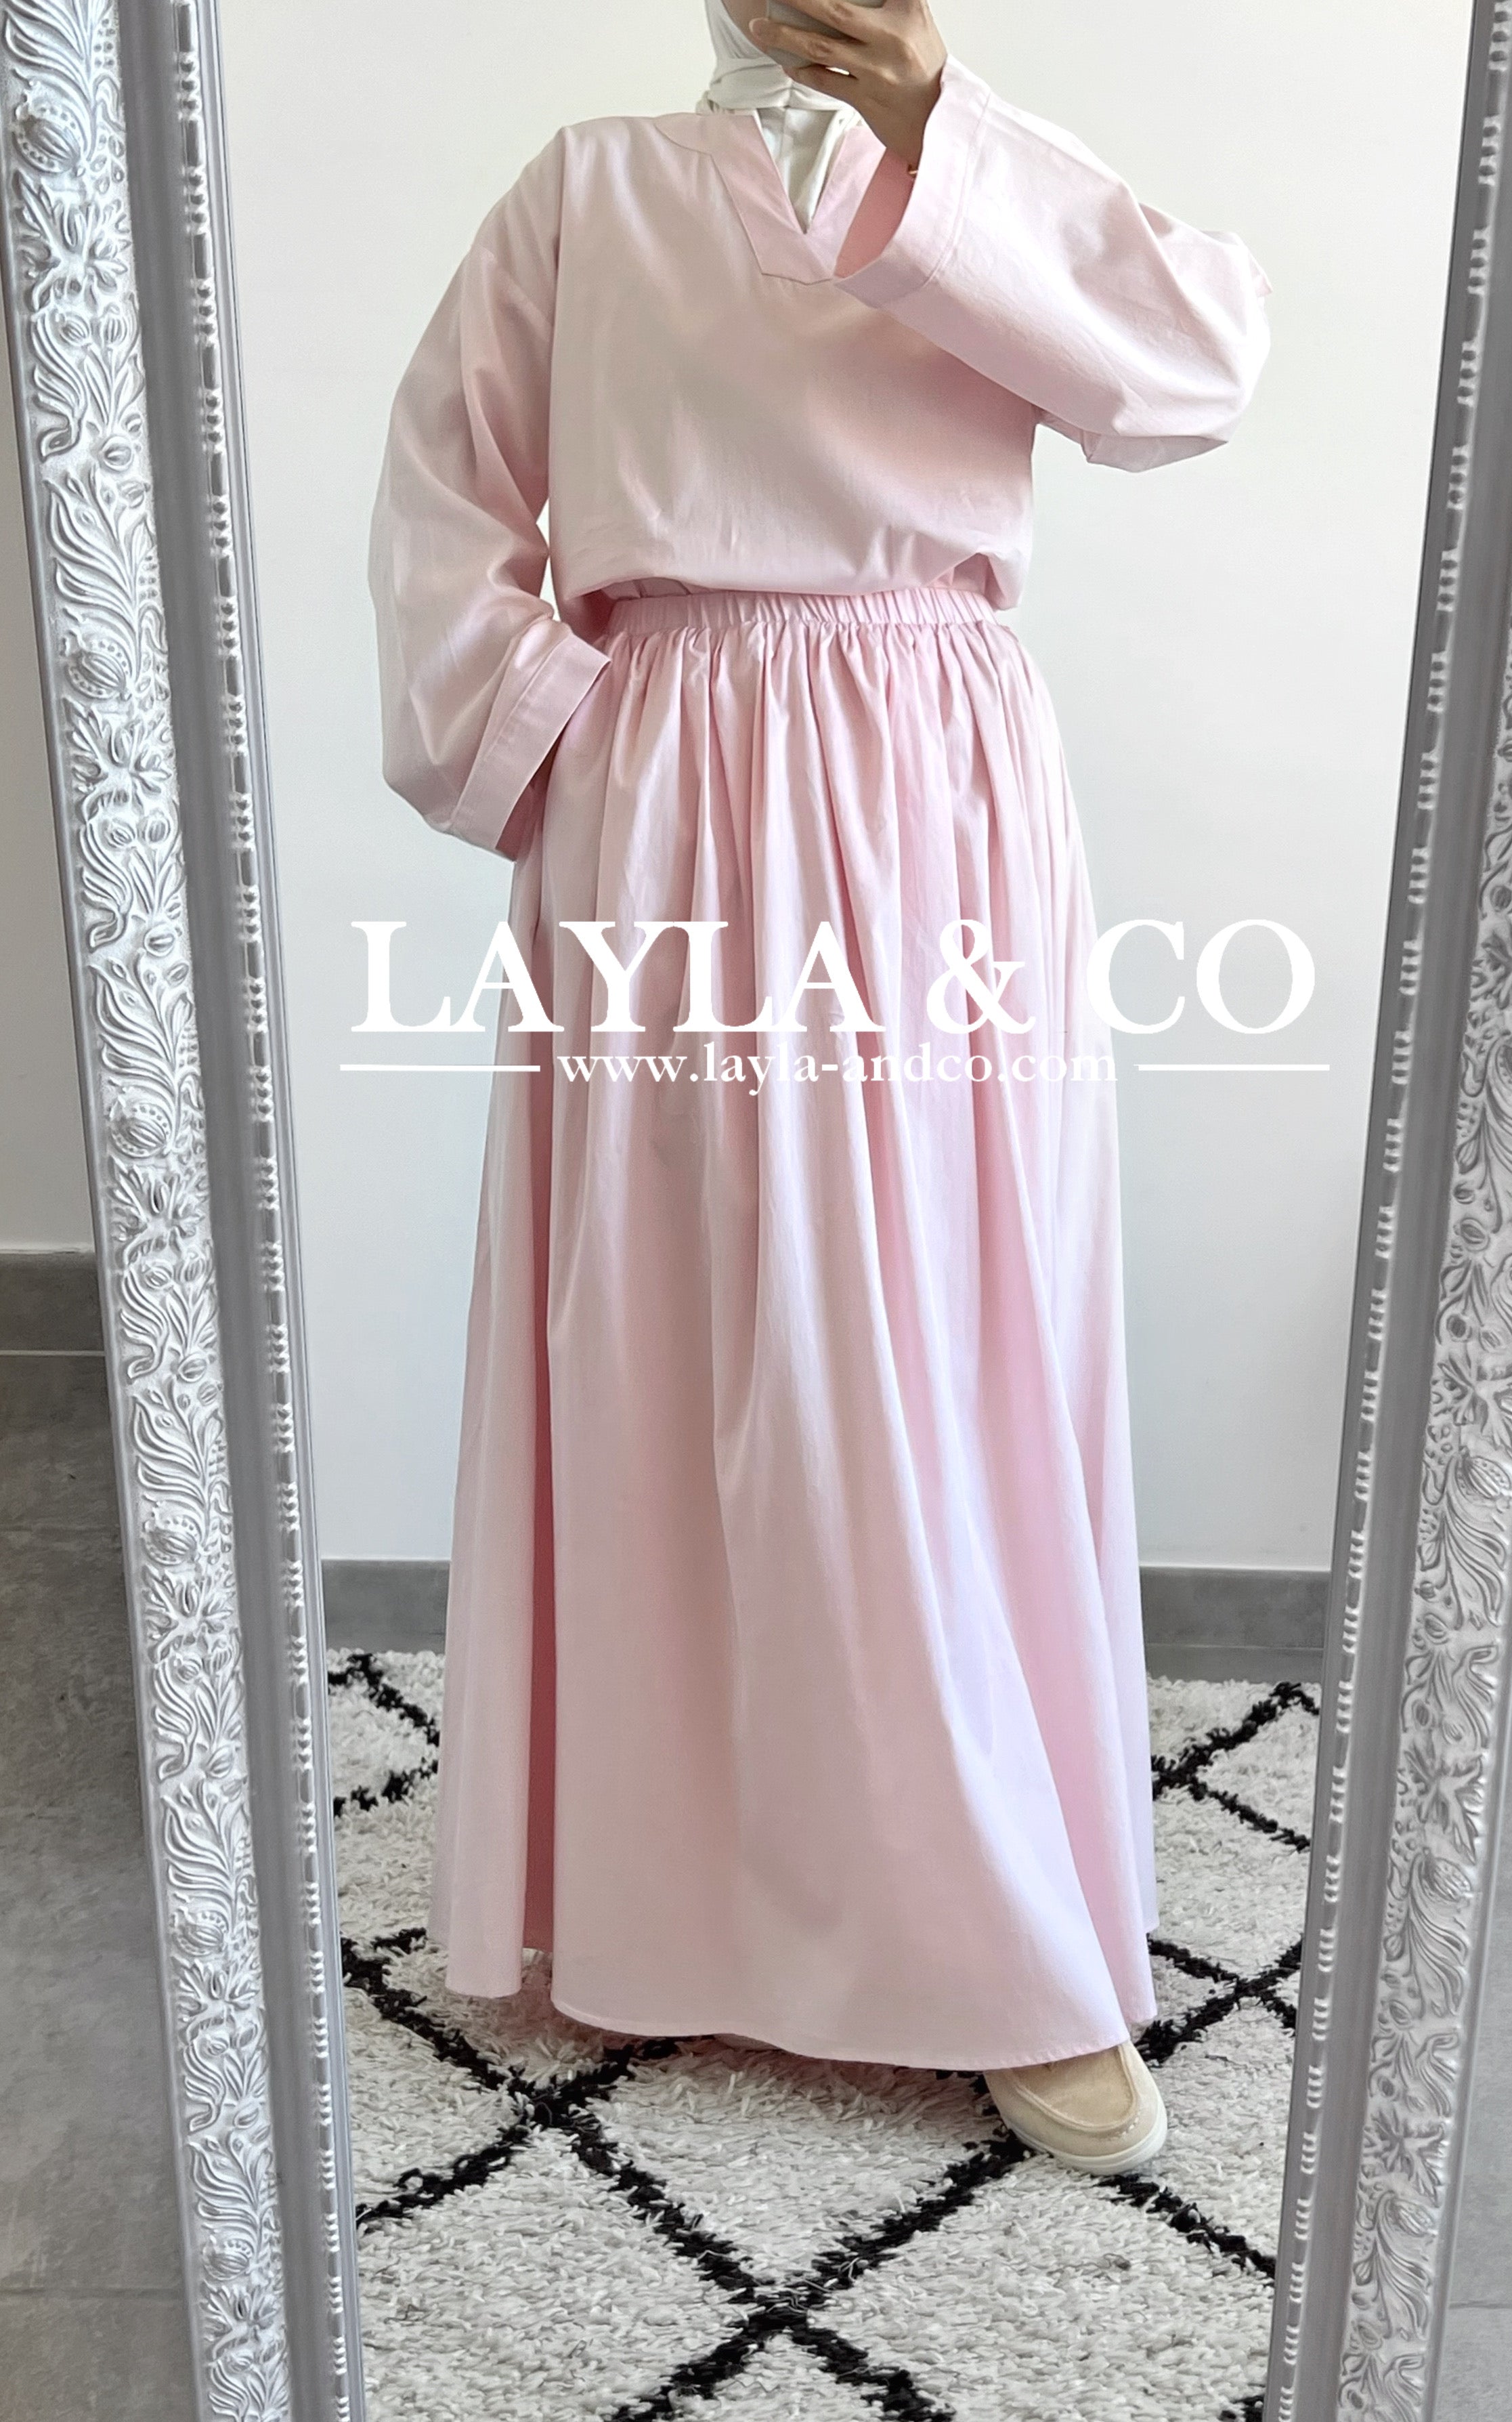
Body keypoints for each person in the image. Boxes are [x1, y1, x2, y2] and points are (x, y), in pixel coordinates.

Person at [368, 0, 1271, 2177]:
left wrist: (936, 118)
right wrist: (570, 736)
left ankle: (986, 1924)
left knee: (925, 1324)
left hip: (930, 782)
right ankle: (658, 1895)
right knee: (666, 1311)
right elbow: (443, 500)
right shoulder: (588, 192)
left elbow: (1188, 375)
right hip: (663, 777)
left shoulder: (989, 183)